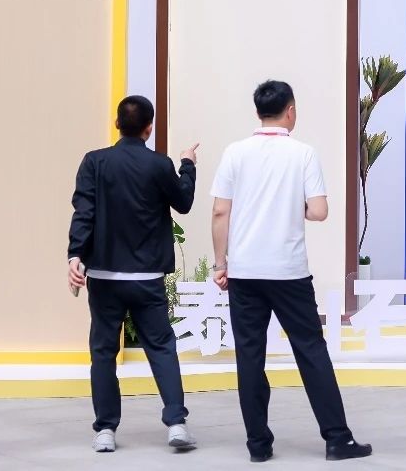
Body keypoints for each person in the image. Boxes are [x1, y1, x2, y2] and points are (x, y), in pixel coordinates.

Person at [211, 80, 372, 463]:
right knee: (311, 350)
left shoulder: (235, 153)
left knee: (250, 356)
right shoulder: (303, 154)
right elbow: (319, 211)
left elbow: (219, 211)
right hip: (289, 272)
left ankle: (258, 445)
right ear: (291, 111)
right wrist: (290, 208)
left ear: (258, 112)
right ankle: (337, 439)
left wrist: (221, 264)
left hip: (245, 272)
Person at [66, 95, 199, 454]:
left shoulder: (94, 162)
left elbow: (84, 211)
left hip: (104, 277)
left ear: (117, 124)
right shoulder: (159, 165)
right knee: (161, 346)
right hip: (147, 277)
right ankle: (176, 423)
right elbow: (184, 202)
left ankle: (105, 430)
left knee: (103, 352)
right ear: (149, 128)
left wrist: (75, 254)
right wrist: (187, 165)